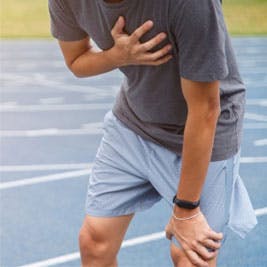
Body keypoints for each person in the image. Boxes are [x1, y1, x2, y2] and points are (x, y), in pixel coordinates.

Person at [48, 0, 257, 266]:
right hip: (134, 121)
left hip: (203, 129)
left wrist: (186, 210)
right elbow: (76, 60)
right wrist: (116, 56)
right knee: (94, 243)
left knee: (190, 255)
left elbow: (204, 110)